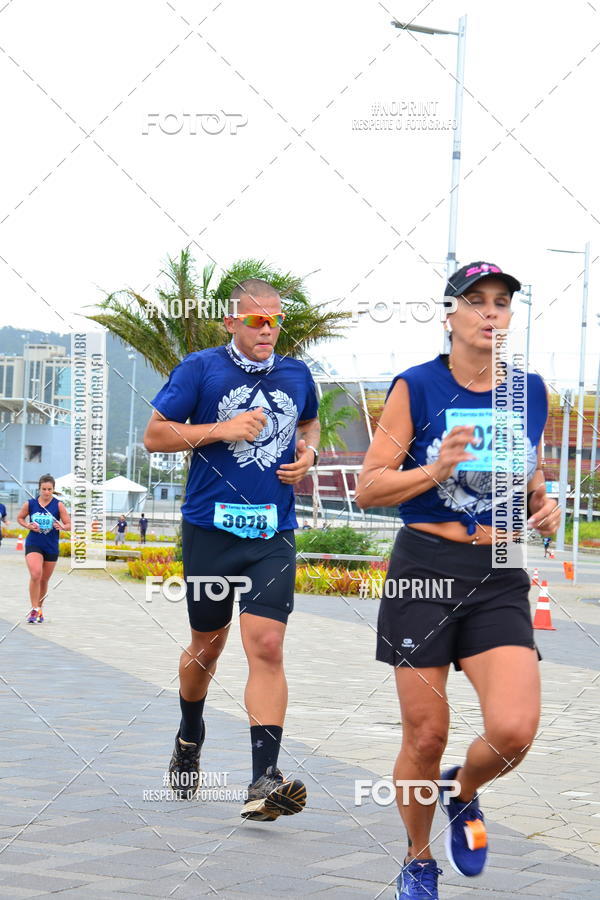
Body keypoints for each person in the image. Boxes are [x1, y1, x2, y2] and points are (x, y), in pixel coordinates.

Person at [357, 262, 560, 900]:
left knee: (513, 729)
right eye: (476, 302)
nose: (491, 313)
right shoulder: (416, 387)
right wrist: (436, 466)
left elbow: (524, 479)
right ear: (450, 316)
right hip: (425, 569)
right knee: (425, 732)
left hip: (498, 572)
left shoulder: (529, 391)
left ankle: (461, 791)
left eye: (502, 302)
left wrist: (540, 504)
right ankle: (418, 861)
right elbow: (368, 487)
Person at [144, 278, 320, 819]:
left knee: (266, 644)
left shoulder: (297, 374)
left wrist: (308, 455)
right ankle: (189, 734)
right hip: (210, 531)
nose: (268, 329)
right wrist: (224, 428)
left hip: (273, 532)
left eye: (276, 320)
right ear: (232, 322)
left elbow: (309, 423)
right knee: (208, 647)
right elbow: (155, 435)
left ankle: (263, 779)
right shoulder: (200, 368)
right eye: (257, 320)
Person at [17, 475, 71, 624]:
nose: (46, 492)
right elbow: (20, 518)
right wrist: (28, 525)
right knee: (36, 574)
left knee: (44, 580)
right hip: (34, 543)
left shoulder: (58, 505)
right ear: (39, 489)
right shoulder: (31, 504)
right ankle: (33, 609)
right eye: (44, 489)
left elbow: (69, 524)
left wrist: (62, 526)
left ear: (53, 490)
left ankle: (39, 608)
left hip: (51, 546)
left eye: (49, 489)